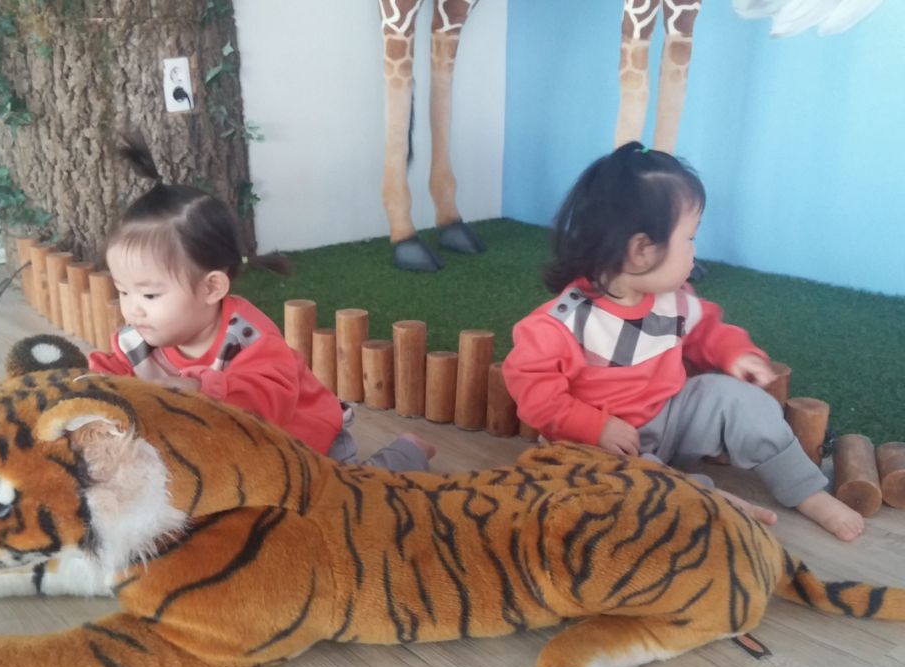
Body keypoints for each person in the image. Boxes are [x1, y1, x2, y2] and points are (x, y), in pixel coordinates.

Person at [502, 142, 864, 541]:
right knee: (624, 487)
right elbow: (535, 393)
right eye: (689, 238)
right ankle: (710, 502)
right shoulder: (565, 322)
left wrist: (735, 354)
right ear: (641, 251)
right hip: (600, 444)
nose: (694, 252)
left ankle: (805, 490)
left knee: (740, 401)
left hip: (672, 414)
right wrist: (595, 426)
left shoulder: (672, 299)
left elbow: (706, 329)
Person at [89, 134, 433, 472]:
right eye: (123, 291)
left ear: (211, 288)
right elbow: (112, 371)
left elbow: (269, 400)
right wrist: (90, 385)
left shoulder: (248, 338)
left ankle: (408, 453)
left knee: (352, 497)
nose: (133, 308)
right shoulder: (137, 339)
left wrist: (202, 388)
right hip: (237, 454)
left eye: (149, 295)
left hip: (304, 444)